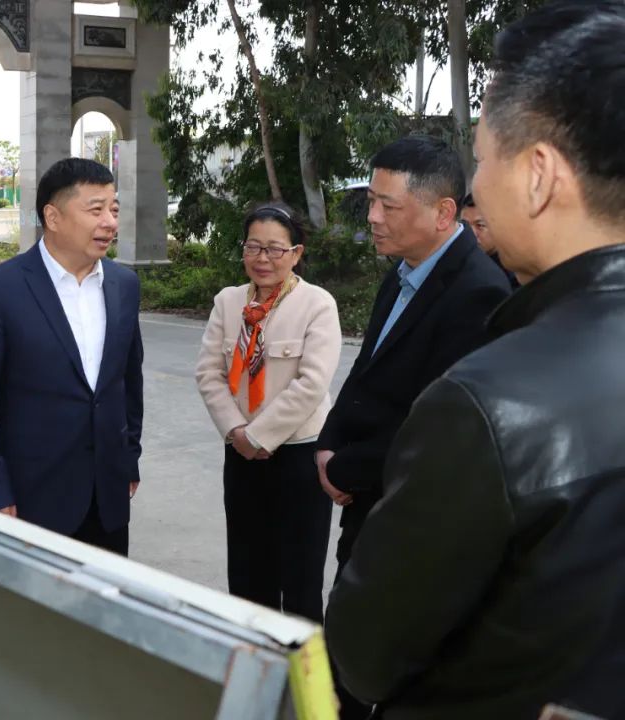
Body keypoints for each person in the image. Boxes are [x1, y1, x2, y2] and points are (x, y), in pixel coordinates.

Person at [326, 4, 625, 718]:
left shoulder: (491, 404)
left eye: (485, 159)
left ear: (539, 175)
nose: (475, 189)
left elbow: (366, 651)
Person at [315, 136, 511, 719]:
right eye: (371, 201)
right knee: (345, 655)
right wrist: (328, 441)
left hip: (410, 519)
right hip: (366, 503)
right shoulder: (405, 271)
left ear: (443, 212)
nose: (372, 217)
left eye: (388, 205)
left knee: (371, 671)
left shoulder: (478, 292)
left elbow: (436, 426)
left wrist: (346, 467)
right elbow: (366, 370)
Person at [0, 158, 144, 556]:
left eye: (114, 209)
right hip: (31, 498)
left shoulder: (123, 285)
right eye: (96, 210)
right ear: (53, 217)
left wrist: (129, 458)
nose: (110, 222)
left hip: (108, 495)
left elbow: (127, 382)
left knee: (103, 596)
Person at [195, 202, 341, 622]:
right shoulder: (227, 303)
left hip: (298, 458)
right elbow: (208, 373)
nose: (263, 258)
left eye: (275, 249)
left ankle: (301, 664)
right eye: (253, 247)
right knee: (246, 574)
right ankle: (250, 656)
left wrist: (260, 436)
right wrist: (237, 432)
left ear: (296, 253)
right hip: (241, 455)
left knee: (300, 580)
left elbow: (312, 383)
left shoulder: (317, 304)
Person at [461, 193, 519, 289]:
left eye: (480, 225)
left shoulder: (514, 274)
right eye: (465, 225)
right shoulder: (457, 262)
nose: (471, 233)